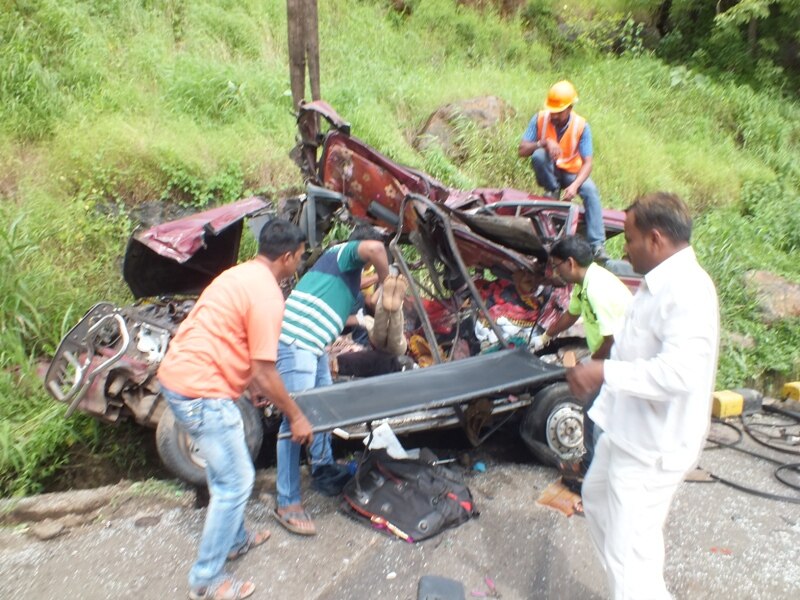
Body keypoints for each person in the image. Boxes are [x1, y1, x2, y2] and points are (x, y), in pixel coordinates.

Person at [566, 192, 719, 599]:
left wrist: (603, 371)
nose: (624, 249)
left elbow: (678, 373)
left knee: (631, 547)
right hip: (626, 430)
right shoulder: (657, 284)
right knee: (596, 499)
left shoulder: (686, 291)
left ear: (655, 239)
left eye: (629, 239)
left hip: (654, 445)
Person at [157, 218, 312, 600]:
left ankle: (236, 539)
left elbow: (229, 337)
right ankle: (206, 581)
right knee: (235, 483)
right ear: (288, 257)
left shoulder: (238, 275)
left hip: (181, 377)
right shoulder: (268, 296)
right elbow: (265, 367)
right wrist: (295, 414)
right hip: (201, 391)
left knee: (230, 463)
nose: (299, 264)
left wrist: (250, 387)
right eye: (300, 258)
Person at [274, 223, 390, 535]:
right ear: (361, 247)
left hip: (314, 348)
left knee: (323, 409)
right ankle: (287, 501)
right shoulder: (342, 253)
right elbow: (377, 250)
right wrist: (389, 278)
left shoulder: (347, 273)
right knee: (294, 421)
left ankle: (323, 469)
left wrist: (377, 279)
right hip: (296, 343)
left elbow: (364, 278)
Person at [534, 235, 632, 469]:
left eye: (557, 266)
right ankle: (591, 464)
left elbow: (612, 340)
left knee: (598, 415)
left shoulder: (599, 289)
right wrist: (546, 336)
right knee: (592, 411)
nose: (556, 272)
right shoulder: (584, 284)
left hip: (620, 358)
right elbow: (570, 315)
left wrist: (590, 367)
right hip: (608, 355)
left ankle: (595, 468)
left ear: (570, 263)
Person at [518, 80, 608, 261]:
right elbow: (521, 151)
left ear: (570, 108)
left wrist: (574, 186)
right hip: (550, 170)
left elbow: (588, 163)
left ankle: (597, 244)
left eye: (559, 112)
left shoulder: (581, 126)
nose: (554, 116)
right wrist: (542, 143)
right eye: (553, 111)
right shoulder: (540, 119)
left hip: (571, 173)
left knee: (590, 190)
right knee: (538, 156)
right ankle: (552, 189)